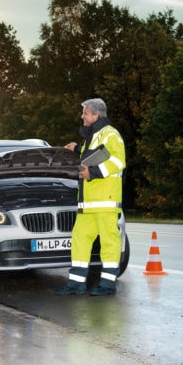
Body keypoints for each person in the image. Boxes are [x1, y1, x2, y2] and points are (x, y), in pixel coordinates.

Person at [55, 98, 126, 296]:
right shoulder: (93, 136)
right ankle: (76, 284)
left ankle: (107, 285)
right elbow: (91, 155)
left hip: (105, 201)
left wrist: (93, 172)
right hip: (88, 203)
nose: (82, 116)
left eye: (85, 113)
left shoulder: (111, 134)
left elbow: (118, 162)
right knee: (80, 240)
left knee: (109, 243)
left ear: (96, 115)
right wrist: (77, 149)